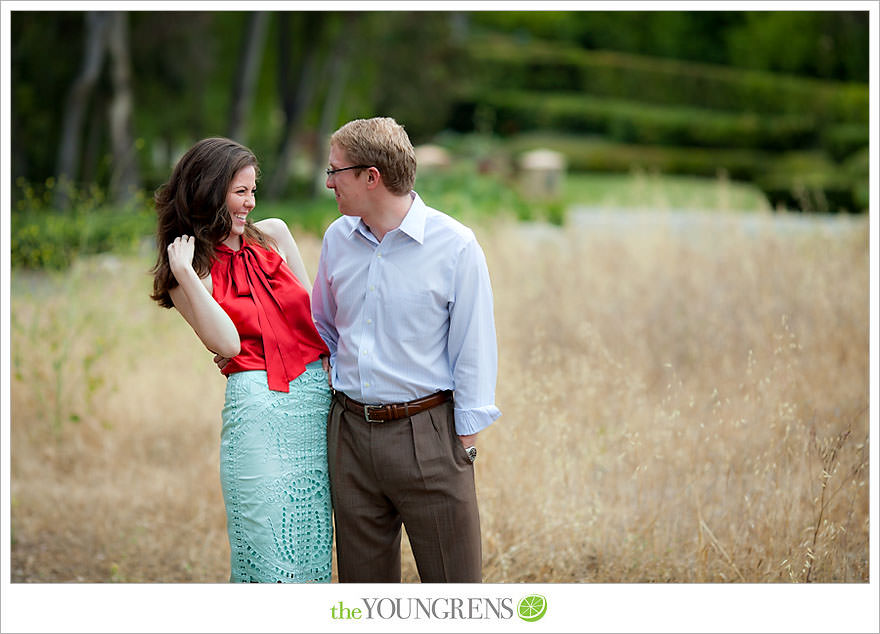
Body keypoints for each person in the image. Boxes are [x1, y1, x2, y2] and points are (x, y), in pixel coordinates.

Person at [311, 117, 501, 583]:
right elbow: (322, 329)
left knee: (455, 593)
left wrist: (462, 445)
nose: (329, 181)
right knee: (364, 594)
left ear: (370, 177)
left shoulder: (455, 246)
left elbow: (474, 348)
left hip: (429, 435)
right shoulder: (337, 239)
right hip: (350, 435)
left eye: (336, 171)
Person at [150, 137, 333, 583]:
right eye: (240, 192)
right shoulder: (189, 273)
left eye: (253, 190)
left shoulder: (276, 234)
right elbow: (228, 345)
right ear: (210, 190)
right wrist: (186, 274)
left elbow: (316, 321)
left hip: (313, 405)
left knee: (311, 552)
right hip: (258, 412)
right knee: (268, 552)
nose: (250, 202)